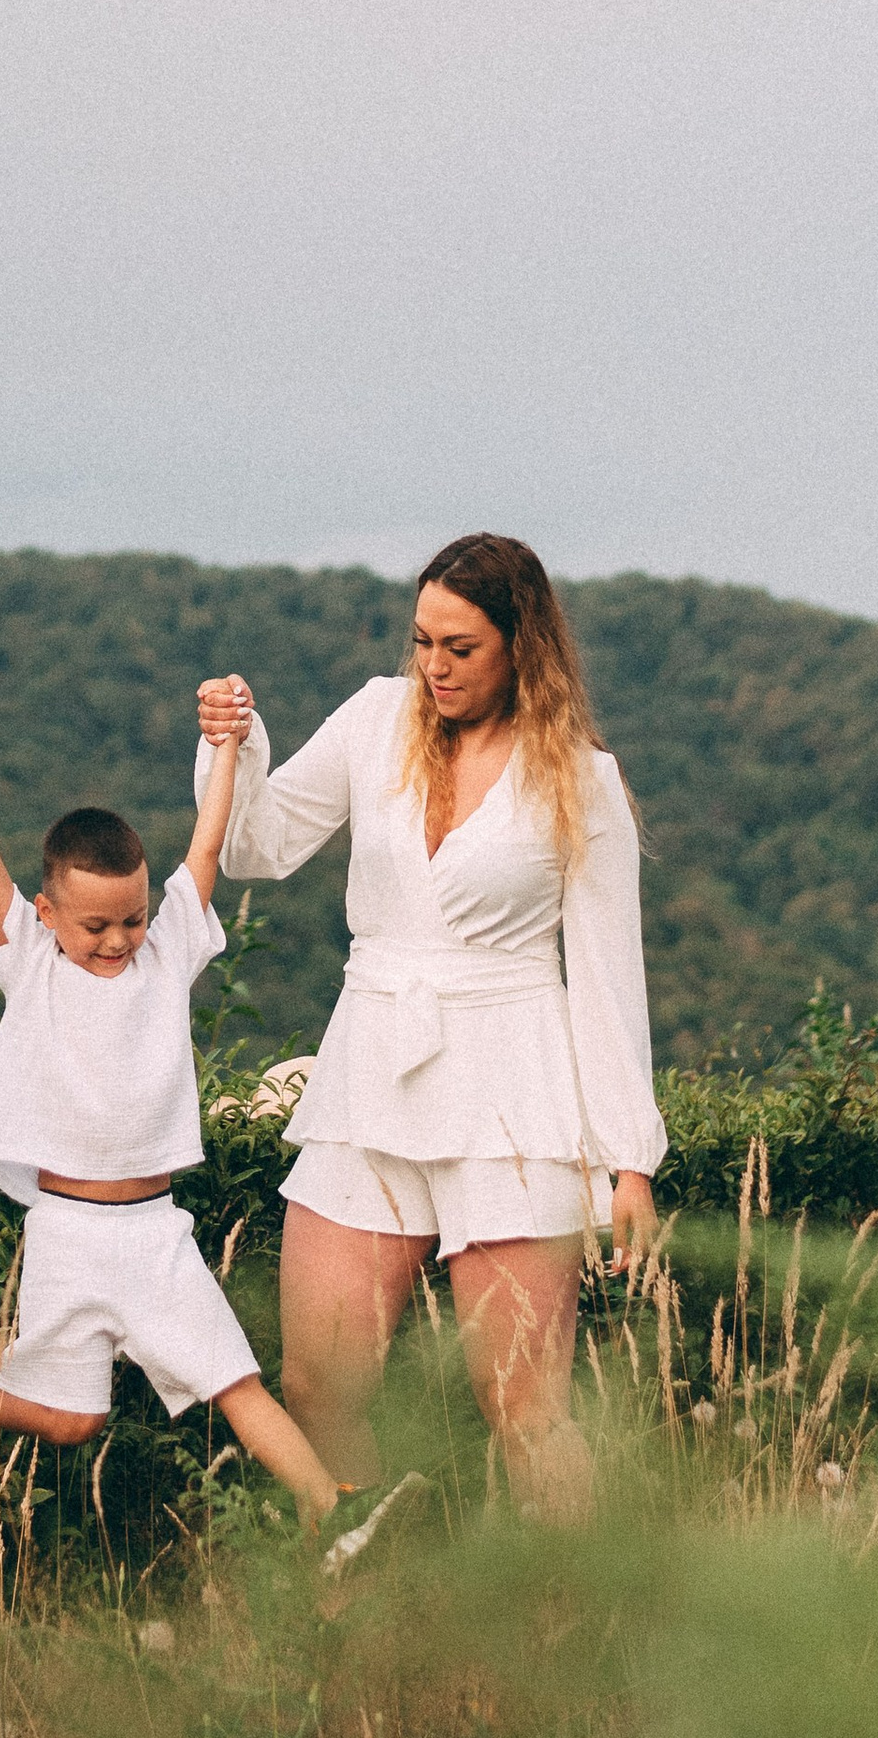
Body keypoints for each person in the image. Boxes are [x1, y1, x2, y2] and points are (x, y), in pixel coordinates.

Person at [195, 532, 664, 1523]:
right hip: (370, 1072)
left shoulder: (580, 782)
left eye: (460, 648)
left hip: (513, 1094)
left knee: (523, 1407)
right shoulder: (376, 719)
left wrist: (630, 1161)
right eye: (423, 643)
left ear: (521, 647)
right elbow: (258, 846)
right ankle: (382, 1594)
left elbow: (609, 980)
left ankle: (577, 1641)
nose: (435, 668)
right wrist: (232, 747)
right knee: (321, 1387)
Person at [0, 684, 341, 1525]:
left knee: (236, 1381)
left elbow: (209, 846)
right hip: (67, 1234)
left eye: (133, 920)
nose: (117, 941)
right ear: (47, 915)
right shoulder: (29, 961)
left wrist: (226, 742)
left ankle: (332, 1508)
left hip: (155, 1234)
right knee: (74, 1424)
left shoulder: (164, 952)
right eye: (96, 926)